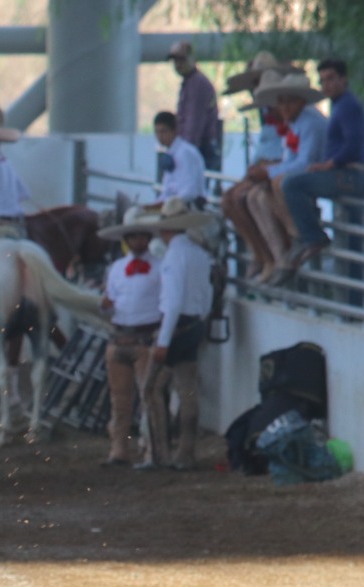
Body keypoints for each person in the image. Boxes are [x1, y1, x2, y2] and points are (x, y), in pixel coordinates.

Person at [280, 57, 364, 275]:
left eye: (331, 79)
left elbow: (353, 145)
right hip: (343, 174)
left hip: (350, 175)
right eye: (322, 80)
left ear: (343, 79)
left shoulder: (348, 106)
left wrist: (329, 164)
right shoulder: (339, 105)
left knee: (292, 185)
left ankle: (313, 237)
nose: (326, 85)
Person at [144, 199, 215, 471]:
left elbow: (172, 303)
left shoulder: (174, 256)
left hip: (175, 326)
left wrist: (163, 340)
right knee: (188, 389)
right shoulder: (199, 254)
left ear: (165, 230)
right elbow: (207, 295)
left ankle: (159, 453)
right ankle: (185, 452)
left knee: (151, 389)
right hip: (195, 323)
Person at [219, 61, 302, 280]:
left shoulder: (292, 121)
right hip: (268, 169)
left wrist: (266, 169)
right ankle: (262, 253)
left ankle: (270, 255)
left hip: (275, 172)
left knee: (246, 198)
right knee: (230, 200)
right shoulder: (270, 118)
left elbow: (292, 156)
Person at [96, 207, 163, 466]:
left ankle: (149, 448)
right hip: (120, 334)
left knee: (148, 399)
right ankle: (119, 448)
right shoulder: (116, 269)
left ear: (148, 239)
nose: (137, 241)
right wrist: (106, 305)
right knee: (119, 399)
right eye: (132, 236)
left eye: (141, 236)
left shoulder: (159, 268)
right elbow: (111, 300)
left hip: (145, 337)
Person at [168, 40, 222, 171]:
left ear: (192, 59)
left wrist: (183, 153)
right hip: (196, 148)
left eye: (182, 59)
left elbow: (193, 124)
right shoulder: (190, 82)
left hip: (200, 149)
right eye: (175, 61)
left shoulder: (197, 84)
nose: (178, 64)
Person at [152, 111, 205, 207]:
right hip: (172, 206)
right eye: (157, 132)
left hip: (189, 208)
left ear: (174, 131)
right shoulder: (170, 153)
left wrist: (169, 203)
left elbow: (190, 191)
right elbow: (167, 191)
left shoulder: (185, 153)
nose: (159, 136)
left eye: (164, 131)